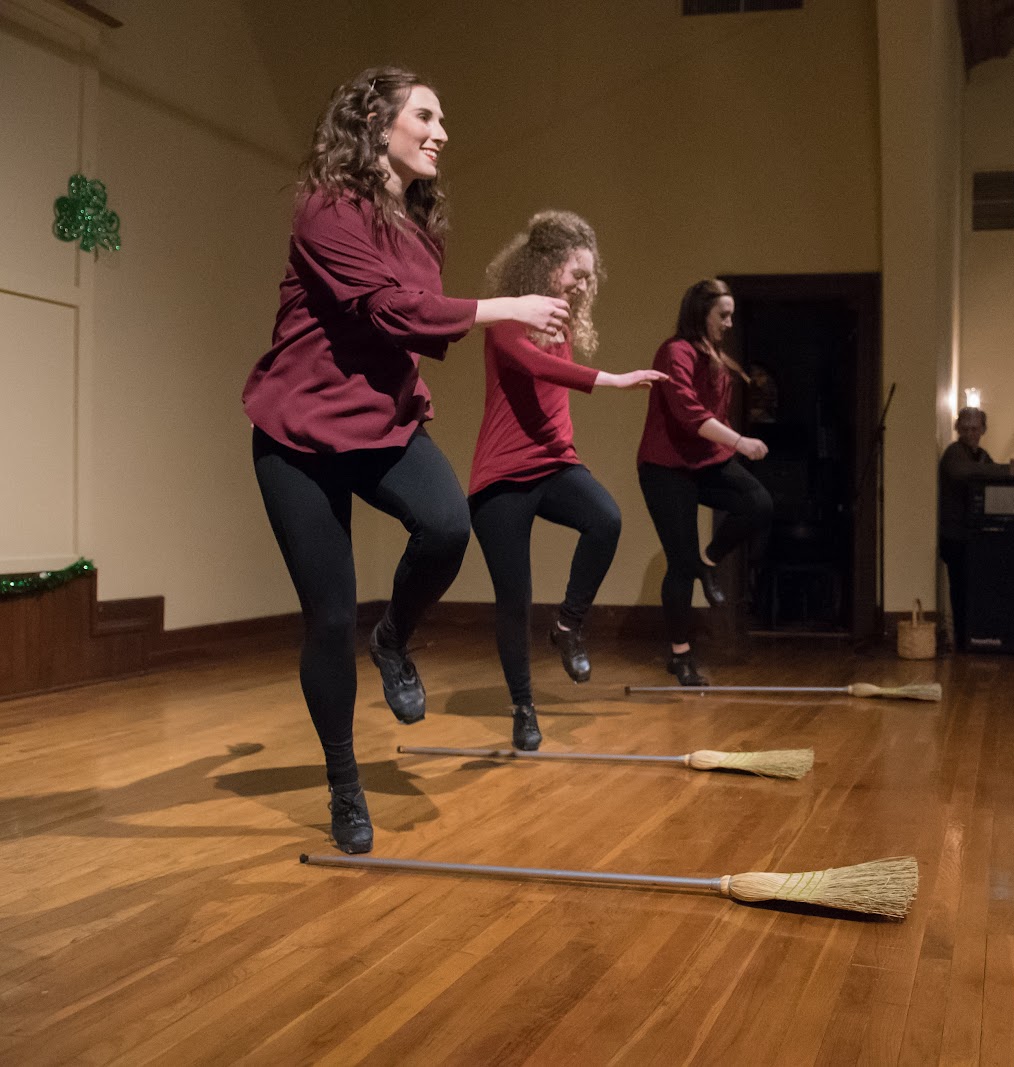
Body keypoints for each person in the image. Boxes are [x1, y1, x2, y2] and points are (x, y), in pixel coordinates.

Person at [243, 67, 572, 854]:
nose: (441, 132)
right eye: (425, 115)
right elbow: (387, 308)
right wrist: (506, 308)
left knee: (448, 526)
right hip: (296, 433)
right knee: (329, 620)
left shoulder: (420, 228)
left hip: (383, 426)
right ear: (374, 123)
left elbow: (414, 330)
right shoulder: (326, 209)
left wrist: (430, 367)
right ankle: (344, 780)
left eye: (441, 119)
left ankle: (393, 637)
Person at [468, 212, 666, 751]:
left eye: (588, 277)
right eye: (577, 273)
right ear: (546, 265)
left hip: (555, 465)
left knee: (606, 519)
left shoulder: (563, 324)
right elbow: (536, 367)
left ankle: (568, 626)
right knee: (515, 600)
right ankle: (523, 708)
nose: (583, 285)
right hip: (501, 478)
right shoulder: (508, 319)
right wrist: (612, 380)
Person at [637, 279, 772, 685]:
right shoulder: (674, 352)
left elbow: (715, 413)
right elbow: (690, 414)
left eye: (731, 316)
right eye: (723, 316)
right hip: (665, 467)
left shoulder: (716, 357)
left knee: (758, 503)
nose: (729, 323)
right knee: (679, 564)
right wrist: (740, 442)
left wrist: (729, 446)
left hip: (706, 461)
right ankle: (680, 656)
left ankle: (708, 562)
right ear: (701, 314)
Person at [938, 407, 1014, 649]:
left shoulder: (983, 456)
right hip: (955, 536)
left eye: (974, 429)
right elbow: (963, 472)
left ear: (983, 430)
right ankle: (963, 640)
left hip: (974, 535)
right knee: (960, 588)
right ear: (957, 428)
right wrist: (1007, 470)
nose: (969, 433)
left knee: (975, 586)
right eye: (965, 428)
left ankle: (976, 635)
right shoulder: (953, 453)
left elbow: (991, 479)